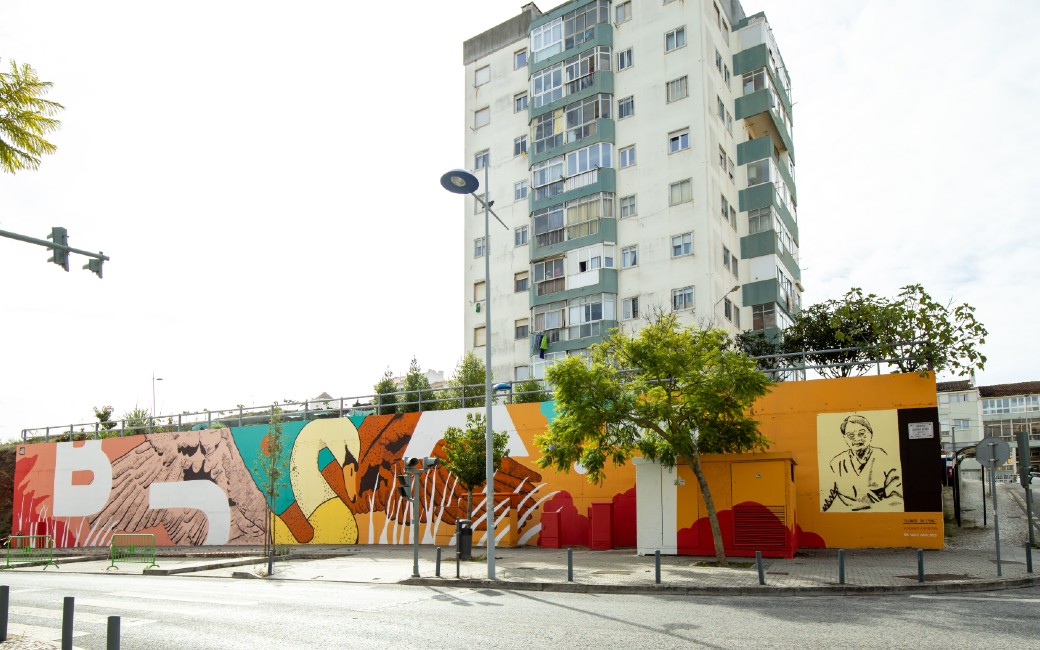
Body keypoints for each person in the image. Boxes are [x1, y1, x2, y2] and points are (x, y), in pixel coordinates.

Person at [821, 414, 903, 512]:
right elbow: (825, 498)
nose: (857, 439)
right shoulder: (836, 463)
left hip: (877, 515)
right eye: (851, 435)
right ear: (845, 438)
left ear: (871, 434)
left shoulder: (884, 458)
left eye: (861, 433)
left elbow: (896, 498)